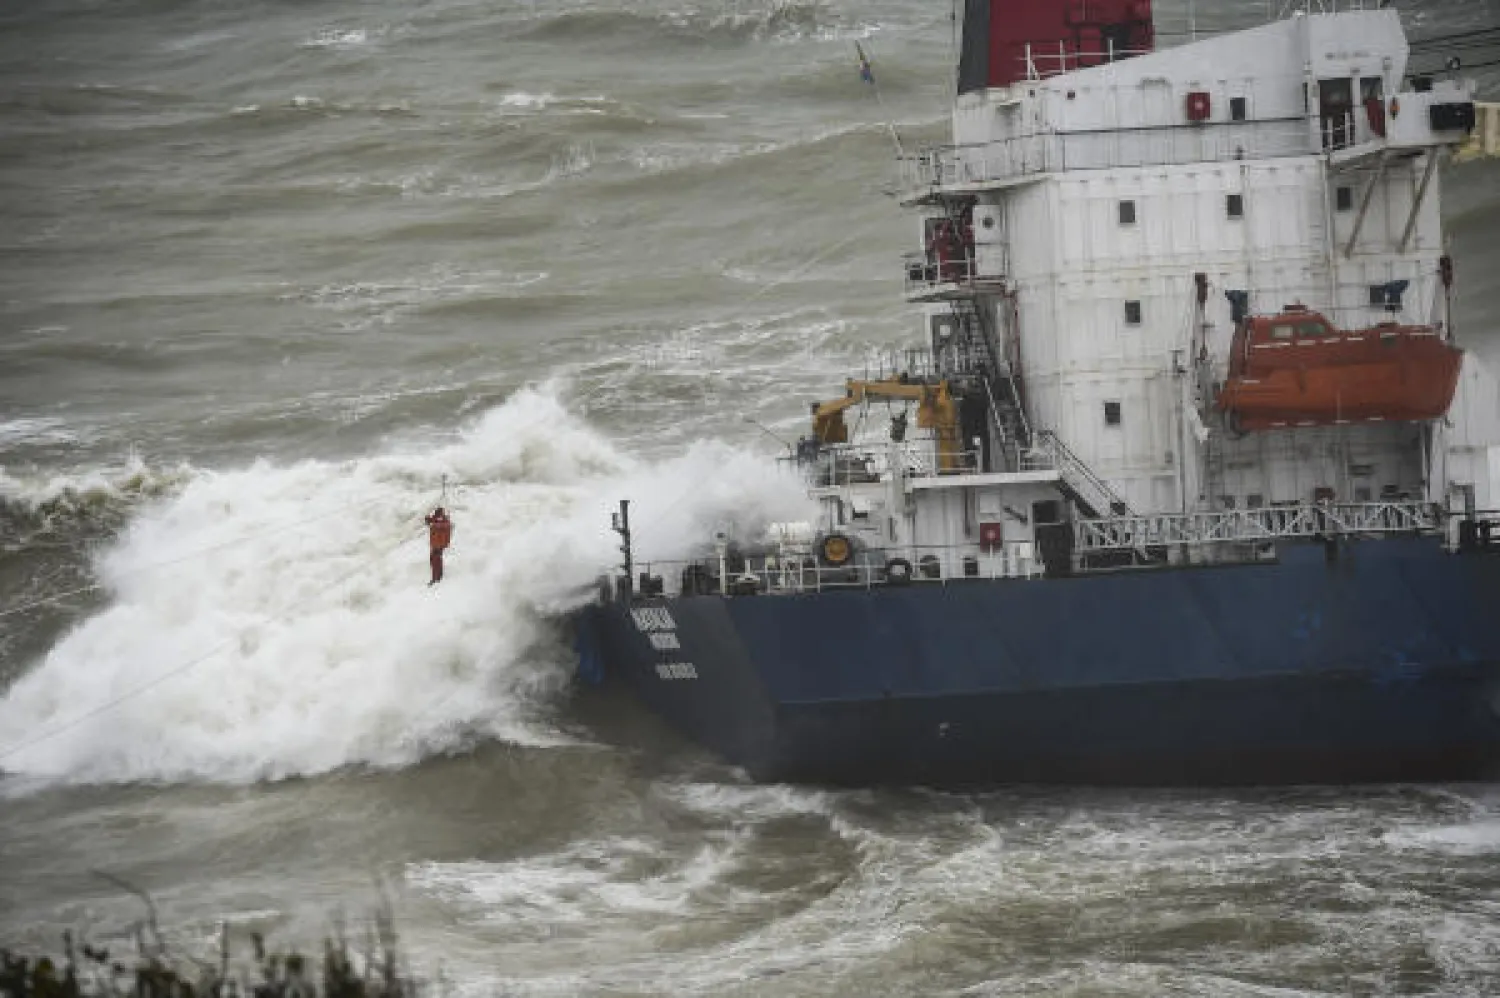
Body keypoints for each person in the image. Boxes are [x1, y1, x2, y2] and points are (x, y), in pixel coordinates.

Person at [425, 507, 453, 585]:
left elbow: (440, 525)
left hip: (439, 544)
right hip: (436, 544)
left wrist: (432, 523)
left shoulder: (443, 521)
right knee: (434, 560)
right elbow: (431, 521)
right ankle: (438, 576)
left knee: (435, 561)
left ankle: (436, 579)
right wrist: (428, 519)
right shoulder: (438, 520)